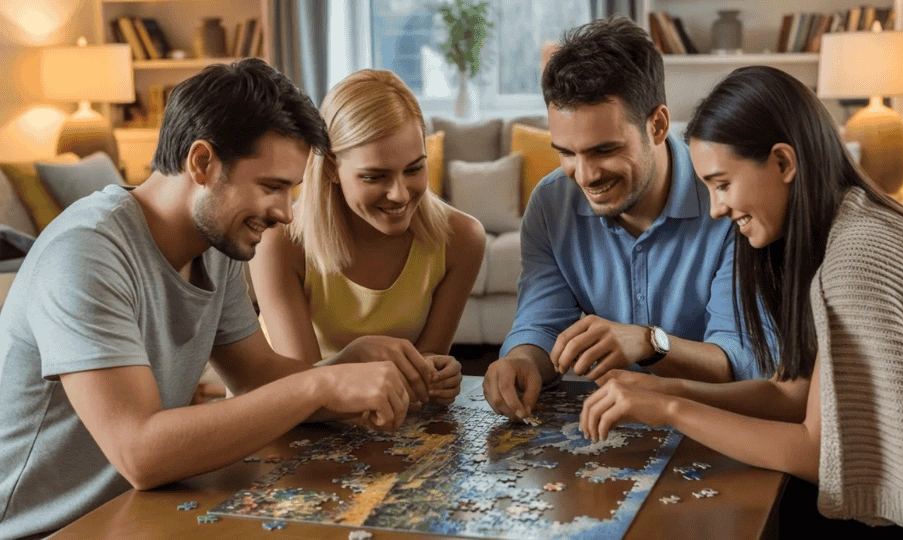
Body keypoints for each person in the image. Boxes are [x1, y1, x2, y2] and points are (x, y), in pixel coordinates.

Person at [0, 59, 415, 540]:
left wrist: (344, 369)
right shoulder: (86, 252)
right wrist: (322, 386)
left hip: (140, 511)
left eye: (291, 190)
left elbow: (258, 377)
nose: (285, 213)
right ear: (201, 163)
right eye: (271, 187)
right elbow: (141, 453)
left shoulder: (215, 245)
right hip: (44, 528)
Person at [579, 66, 903, 539]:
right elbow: (791, 394)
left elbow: (818, 455)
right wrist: (667, 390)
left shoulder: (856, 260)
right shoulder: (847, 226)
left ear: (783, 163)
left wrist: (670, 412)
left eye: (722, 184)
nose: (717, 209)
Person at [483, 17, 771, 421]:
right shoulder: (551, 204)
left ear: (658, 125)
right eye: (566, 152)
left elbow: (745, 362)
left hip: (715, 422)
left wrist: (649, 343)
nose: (584, 175)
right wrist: (522, 362)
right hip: (607, 427)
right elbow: (541, 324)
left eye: (604, 150)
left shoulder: (726, 200)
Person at [250, 69, 484, 407]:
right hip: (282, 419)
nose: (400, 195)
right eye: (375, 177)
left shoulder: (461, 240)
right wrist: (356, 359)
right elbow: (301, 391)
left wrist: (437, 377)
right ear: (330, 168)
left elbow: (420, 380)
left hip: (378, 420)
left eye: (415, 169)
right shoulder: (281, 242)